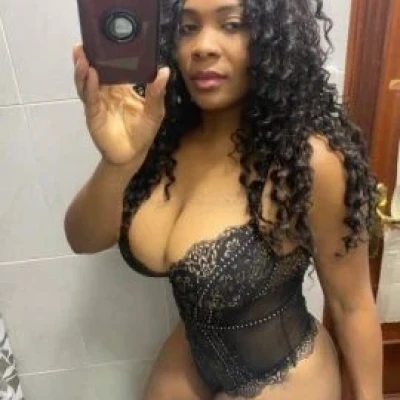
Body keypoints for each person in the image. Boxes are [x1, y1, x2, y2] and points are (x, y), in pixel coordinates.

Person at [65, 0, 384, 399]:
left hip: (286, 370)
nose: (203, 46)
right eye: (187, 28)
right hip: (192, 357)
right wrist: (119, 163)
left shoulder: (309, 161)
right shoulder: (159, 140)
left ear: (272, 39)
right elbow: (82, 239)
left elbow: (352, 305)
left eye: (231, 24)